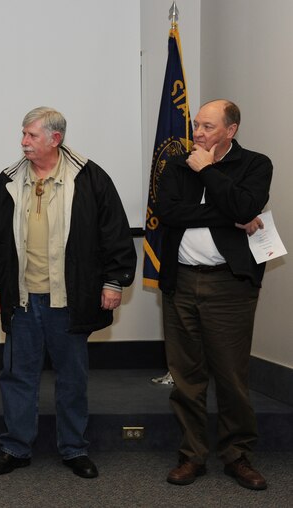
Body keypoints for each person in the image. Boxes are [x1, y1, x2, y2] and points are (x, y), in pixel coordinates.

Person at [0, 107, 136, 478]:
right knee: (18, 377)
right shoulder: (6, 183)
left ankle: (74, 448)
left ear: (55, 138)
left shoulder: (91, 178)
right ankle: (15, 447)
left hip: (70, 300)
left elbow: (115, 234)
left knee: (72, 378)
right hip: (22, 301)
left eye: (31, 135)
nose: (23, 142)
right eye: (23, 134)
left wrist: (114, 282)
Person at [157, 100, 272, 490]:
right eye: (196, 125)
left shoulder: (255, 165)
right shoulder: (176, 164)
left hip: (230, 285)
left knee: (231, 377)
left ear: (230, 130)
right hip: (181, 283)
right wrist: (230, 216)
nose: (198, 133)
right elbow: (168, 213)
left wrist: (207, 171)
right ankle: (192, 456)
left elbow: (245, 204)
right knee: (186, 377)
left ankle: (237, 456)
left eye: (207, 126)